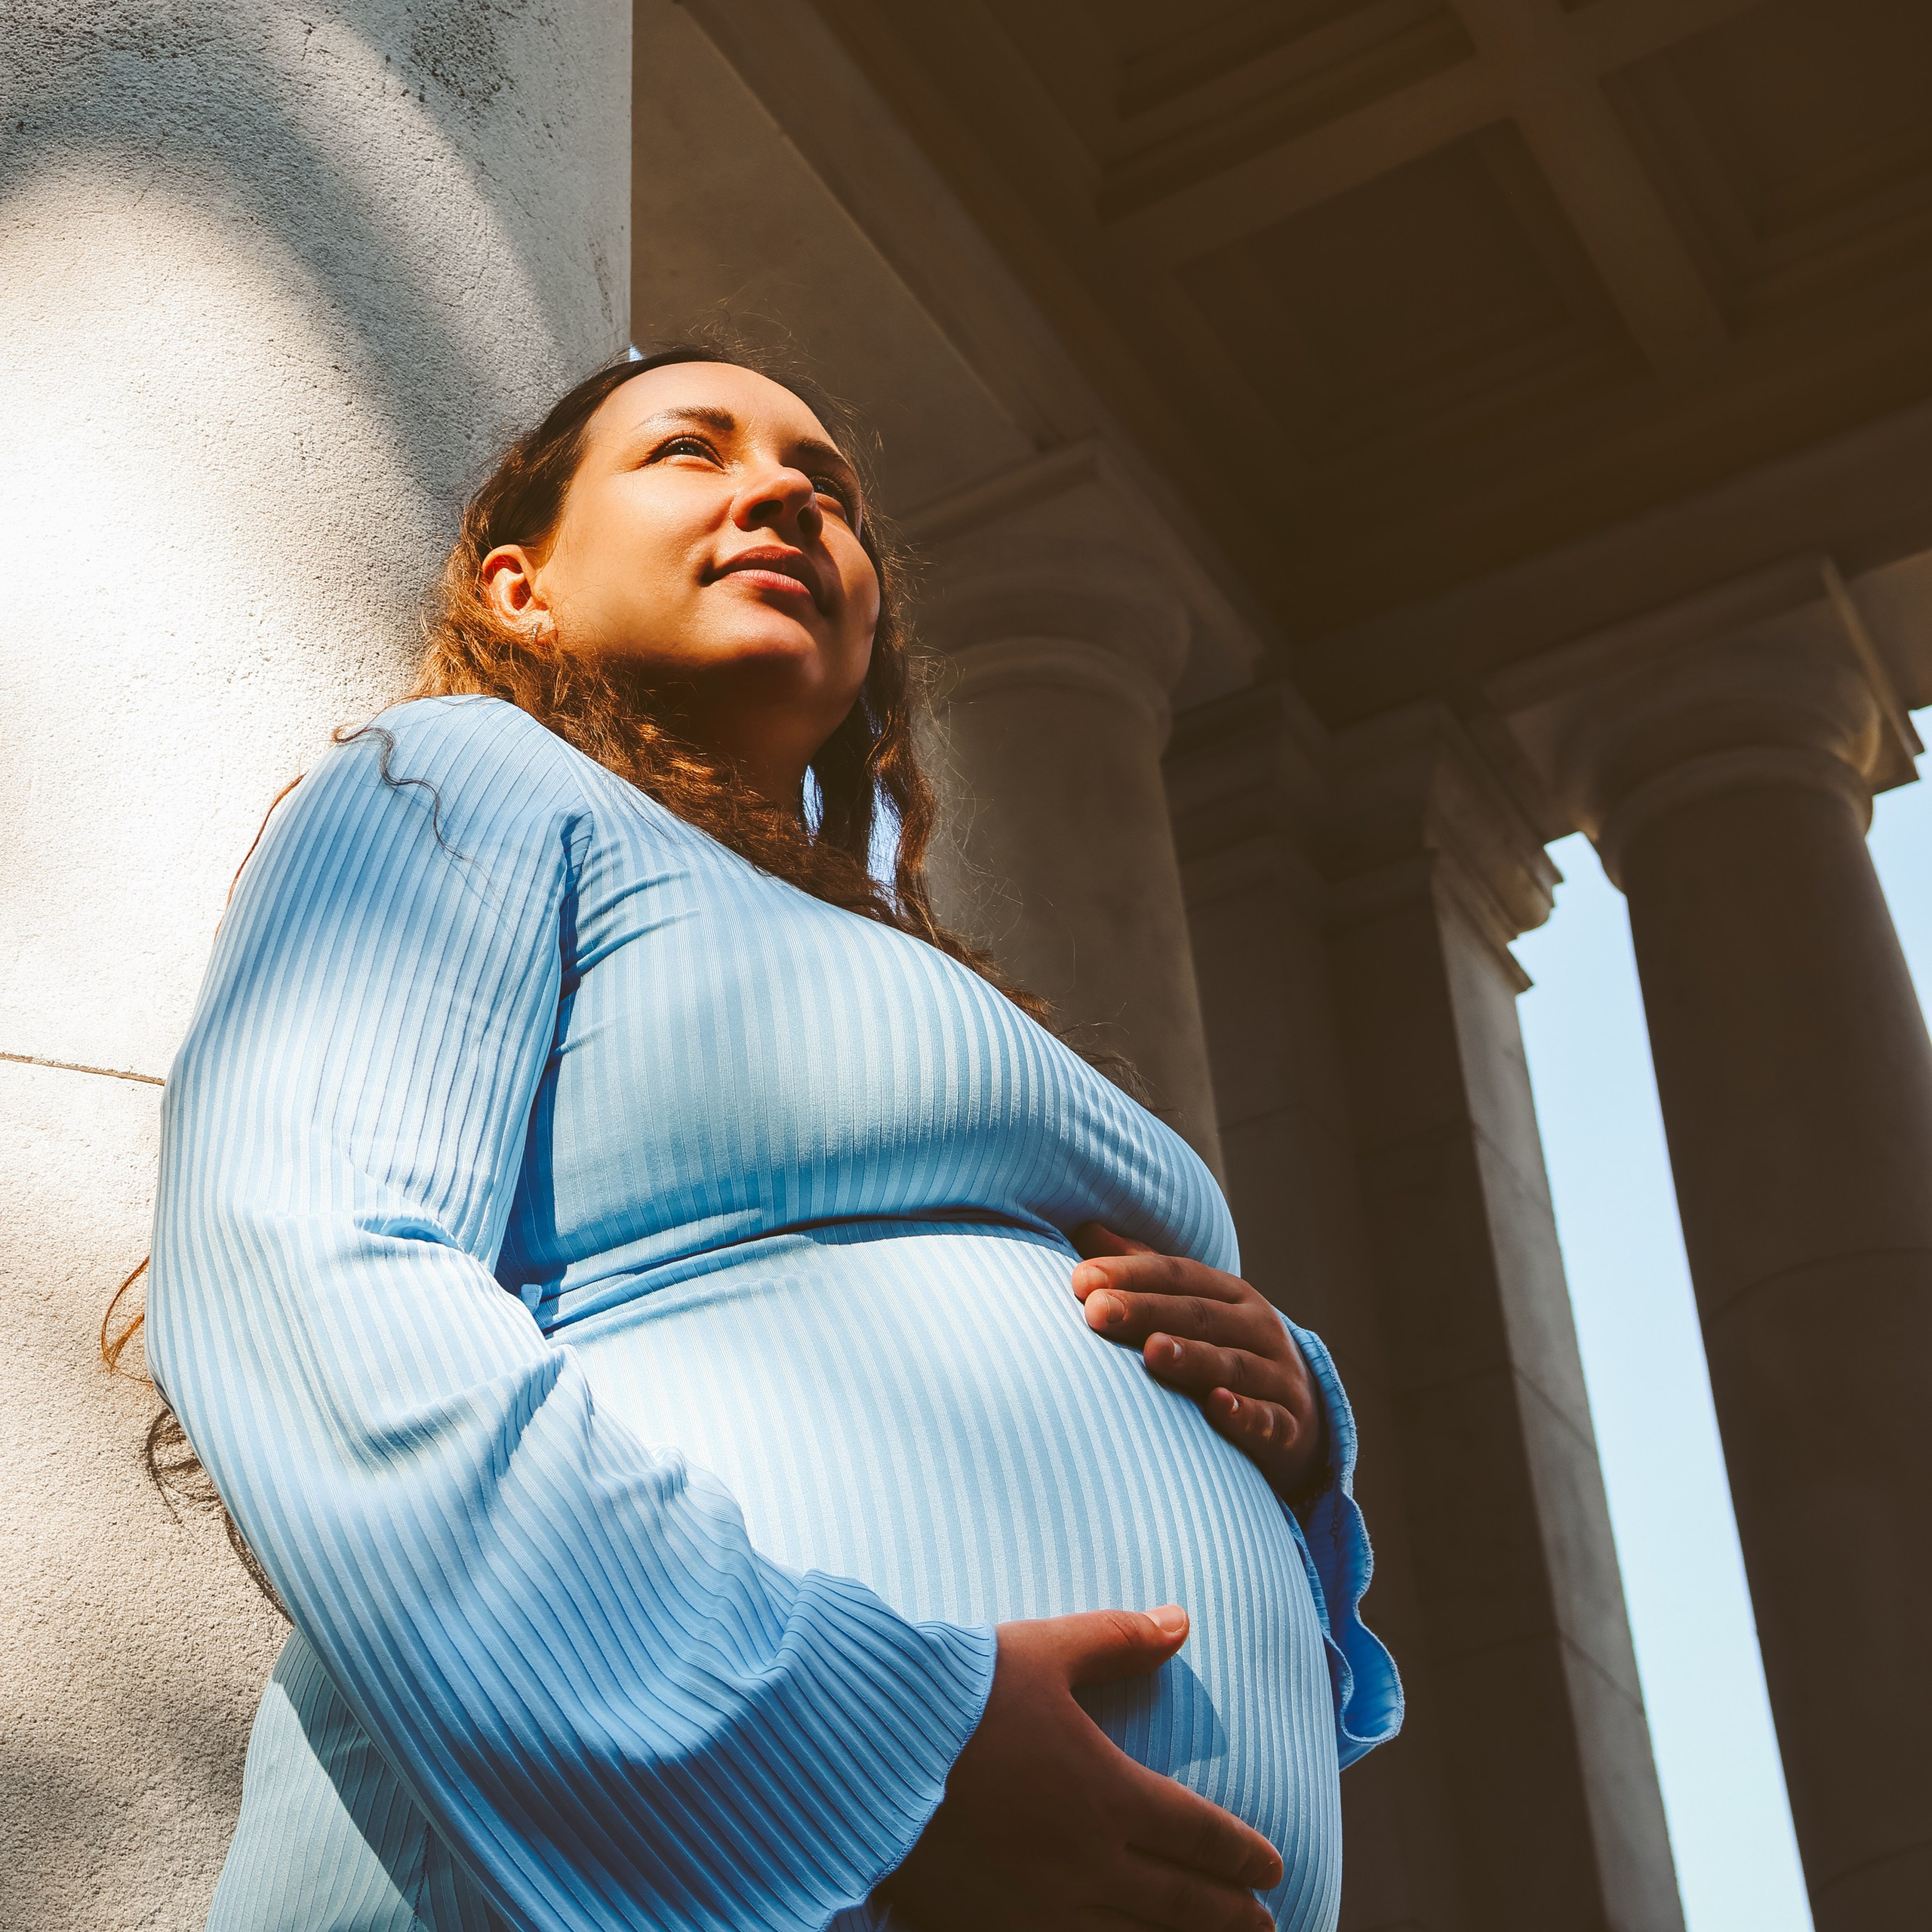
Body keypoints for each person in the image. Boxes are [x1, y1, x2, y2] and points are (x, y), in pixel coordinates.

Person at [145, 345, 1401, 1932]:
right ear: (520, 586)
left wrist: (1275, 1418)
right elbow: (302, 1271)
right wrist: (869, 1753)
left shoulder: (915, 978)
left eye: (832, 488)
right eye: (689, 447)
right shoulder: (458, 777)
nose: (787, 490)